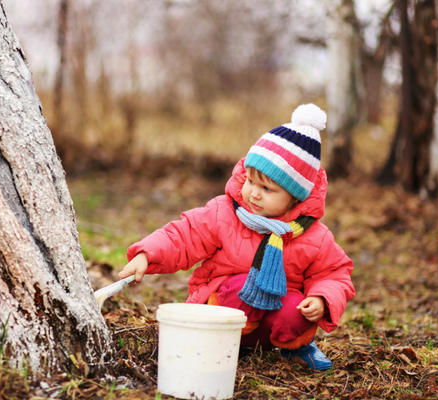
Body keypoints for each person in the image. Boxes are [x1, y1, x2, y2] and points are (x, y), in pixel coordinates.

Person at [118, 103, 355, 371]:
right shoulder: (226, 212)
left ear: (294, 197)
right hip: (223, 313)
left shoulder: (313, 236)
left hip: (270, 326)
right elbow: (185, 235)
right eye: (251, 182)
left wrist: (323, 300)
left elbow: (335, 273)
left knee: (295, 308)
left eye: (267, 188)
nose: (253, 193)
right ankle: (220, 343)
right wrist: (146, 254)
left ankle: (295, 348)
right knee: (242, 286)